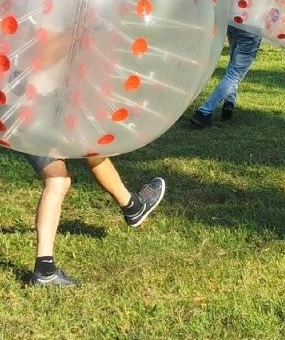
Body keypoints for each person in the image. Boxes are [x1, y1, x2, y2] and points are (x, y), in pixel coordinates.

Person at [23, 153, 166, 287]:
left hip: (30, 126)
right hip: (31, 126)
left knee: (89, 145)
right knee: (57, 180)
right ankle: (45, 271)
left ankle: (133, 207)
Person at [190, 25, 261, 126]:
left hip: (235, 24)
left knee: (233, 65)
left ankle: (229, 102)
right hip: (252, 31)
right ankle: (203, 113)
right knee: (235, 74)